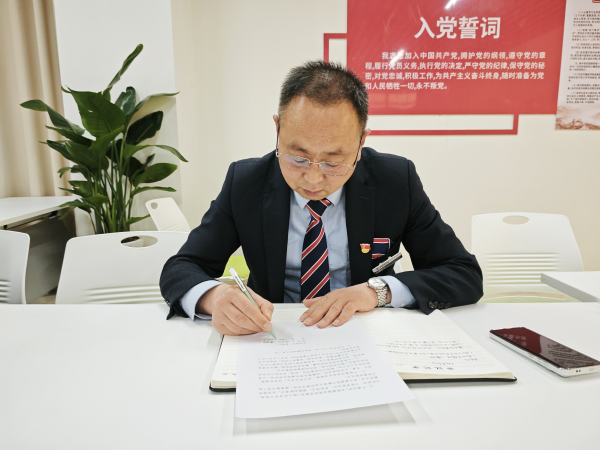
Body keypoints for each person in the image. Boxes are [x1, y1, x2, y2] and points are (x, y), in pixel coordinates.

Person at [160, 61, 483, 336]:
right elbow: (182, 266)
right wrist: (214, 297)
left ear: (361, 142)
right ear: (277, 129)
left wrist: (377, 292)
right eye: (297, 157)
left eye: (333, 162)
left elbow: (463, 272)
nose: (313, 179)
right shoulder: (246, 182)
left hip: (365, 333)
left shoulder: (395, 181)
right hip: (272, 334)